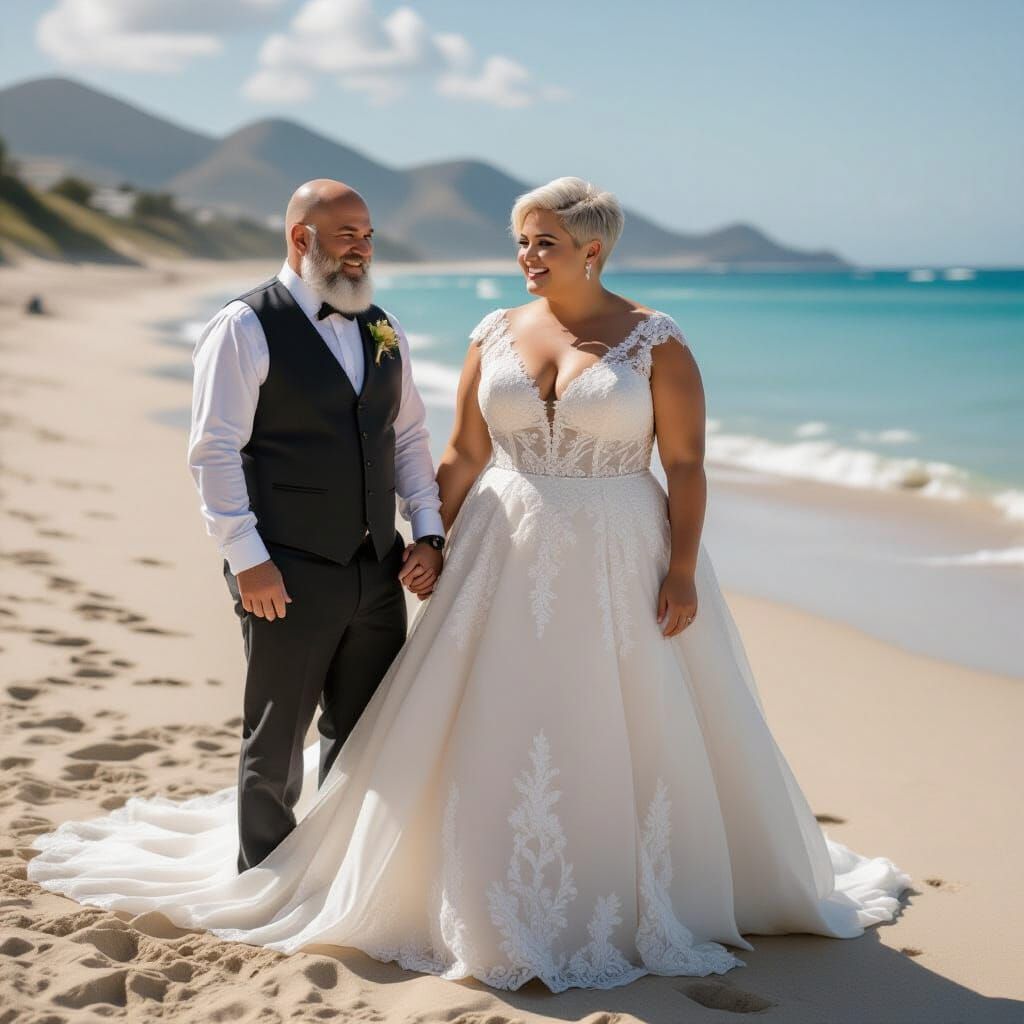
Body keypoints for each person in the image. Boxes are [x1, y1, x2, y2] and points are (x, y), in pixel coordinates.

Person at [29, 177, 909, 993]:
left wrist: (681, 568)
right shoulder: (492, 331)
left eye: (545, 243)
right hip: (502, 543)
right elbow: (457, 453)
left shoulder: (657, 341)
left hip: (620, 547)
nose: (528, 257)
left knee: (615, 714)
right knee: (481, 711)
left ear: (592, 250)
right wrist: (433, 539)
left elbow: (685, 464)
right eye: (523, 241)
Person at [187, 179, 445, 872]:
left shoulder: (382, 327)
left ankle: (335, 874)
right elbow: (213, 450)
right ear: (300, 238)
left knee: (364, 738)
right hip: (286, 569)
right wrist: (247, 558)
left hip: (378, 570)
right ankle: (262, 875)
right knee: (276, 739)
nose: (361, 248)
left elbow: (409, 438)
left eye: (367, 235)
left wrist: (427, 532)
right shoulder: (244, 326)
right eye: (346, 235)